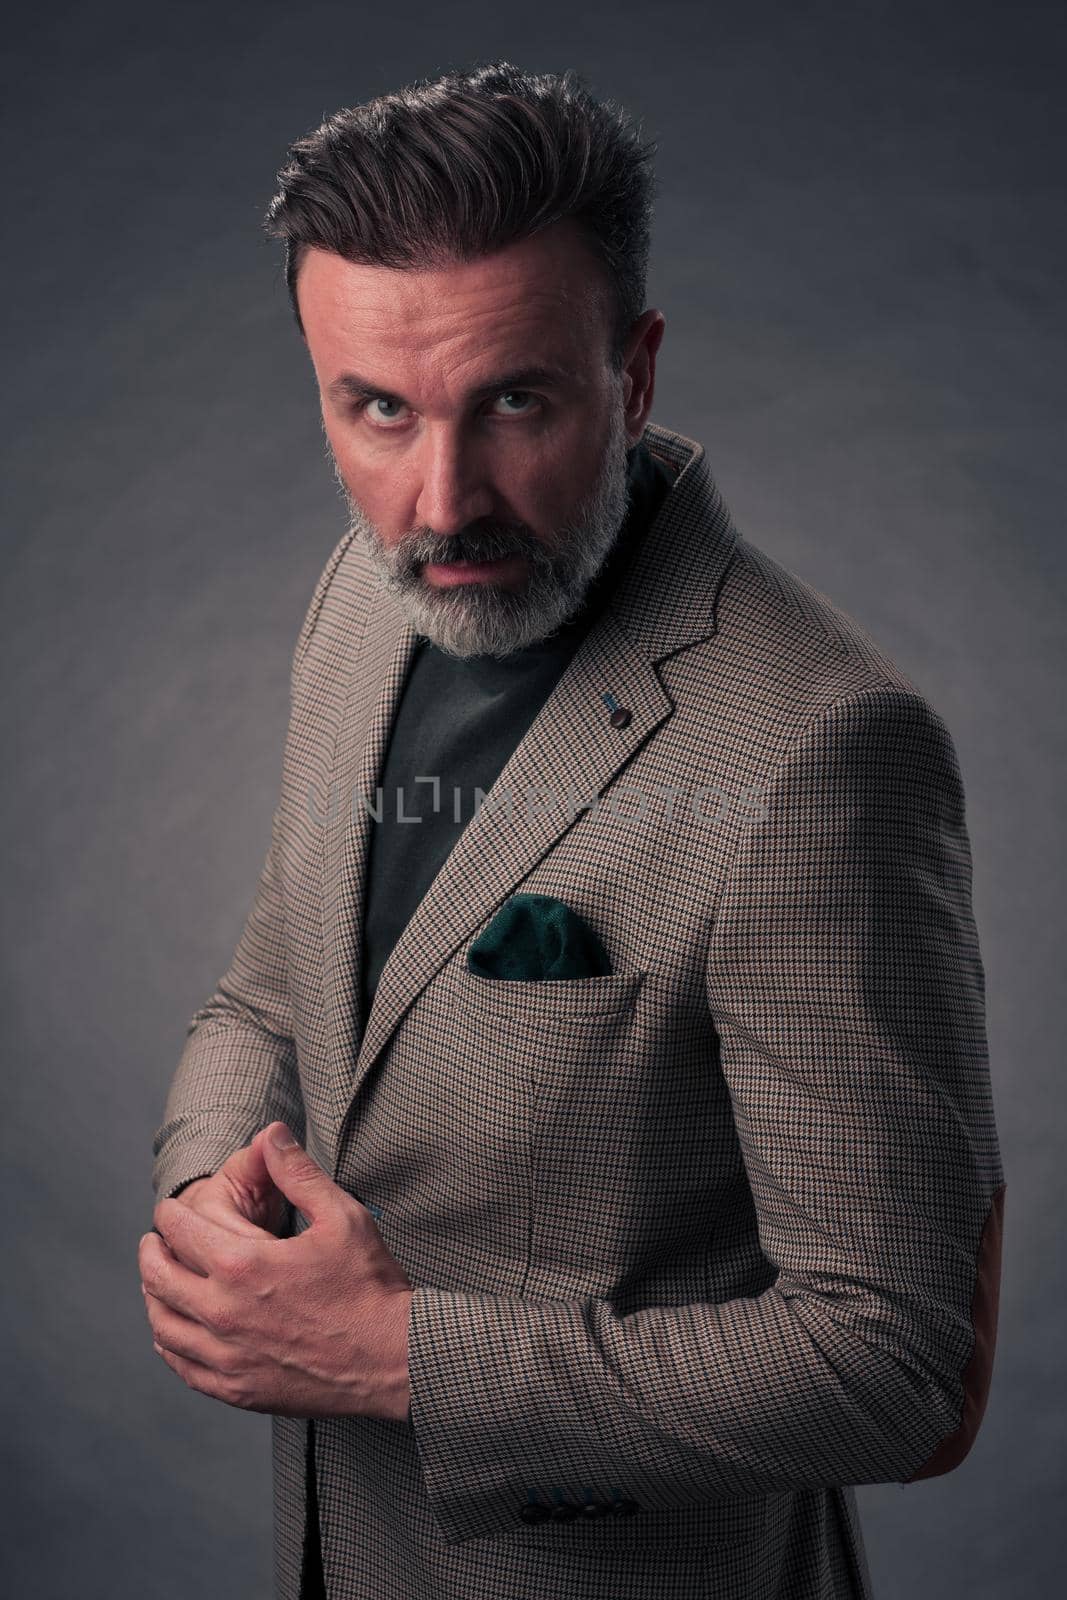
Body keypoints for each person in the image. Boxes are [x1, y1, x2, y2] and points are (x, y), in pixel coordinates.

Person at [143, 59, 1005, 1600]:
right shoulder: (360, 597)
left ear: (638, 371)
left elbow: (897, 1369)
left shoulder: (821, 747)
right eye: (378, 410)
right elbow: (277, 992)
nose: (439, 500)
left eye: (516, 401)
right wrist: (218, 1192)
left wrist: (403, 1358)